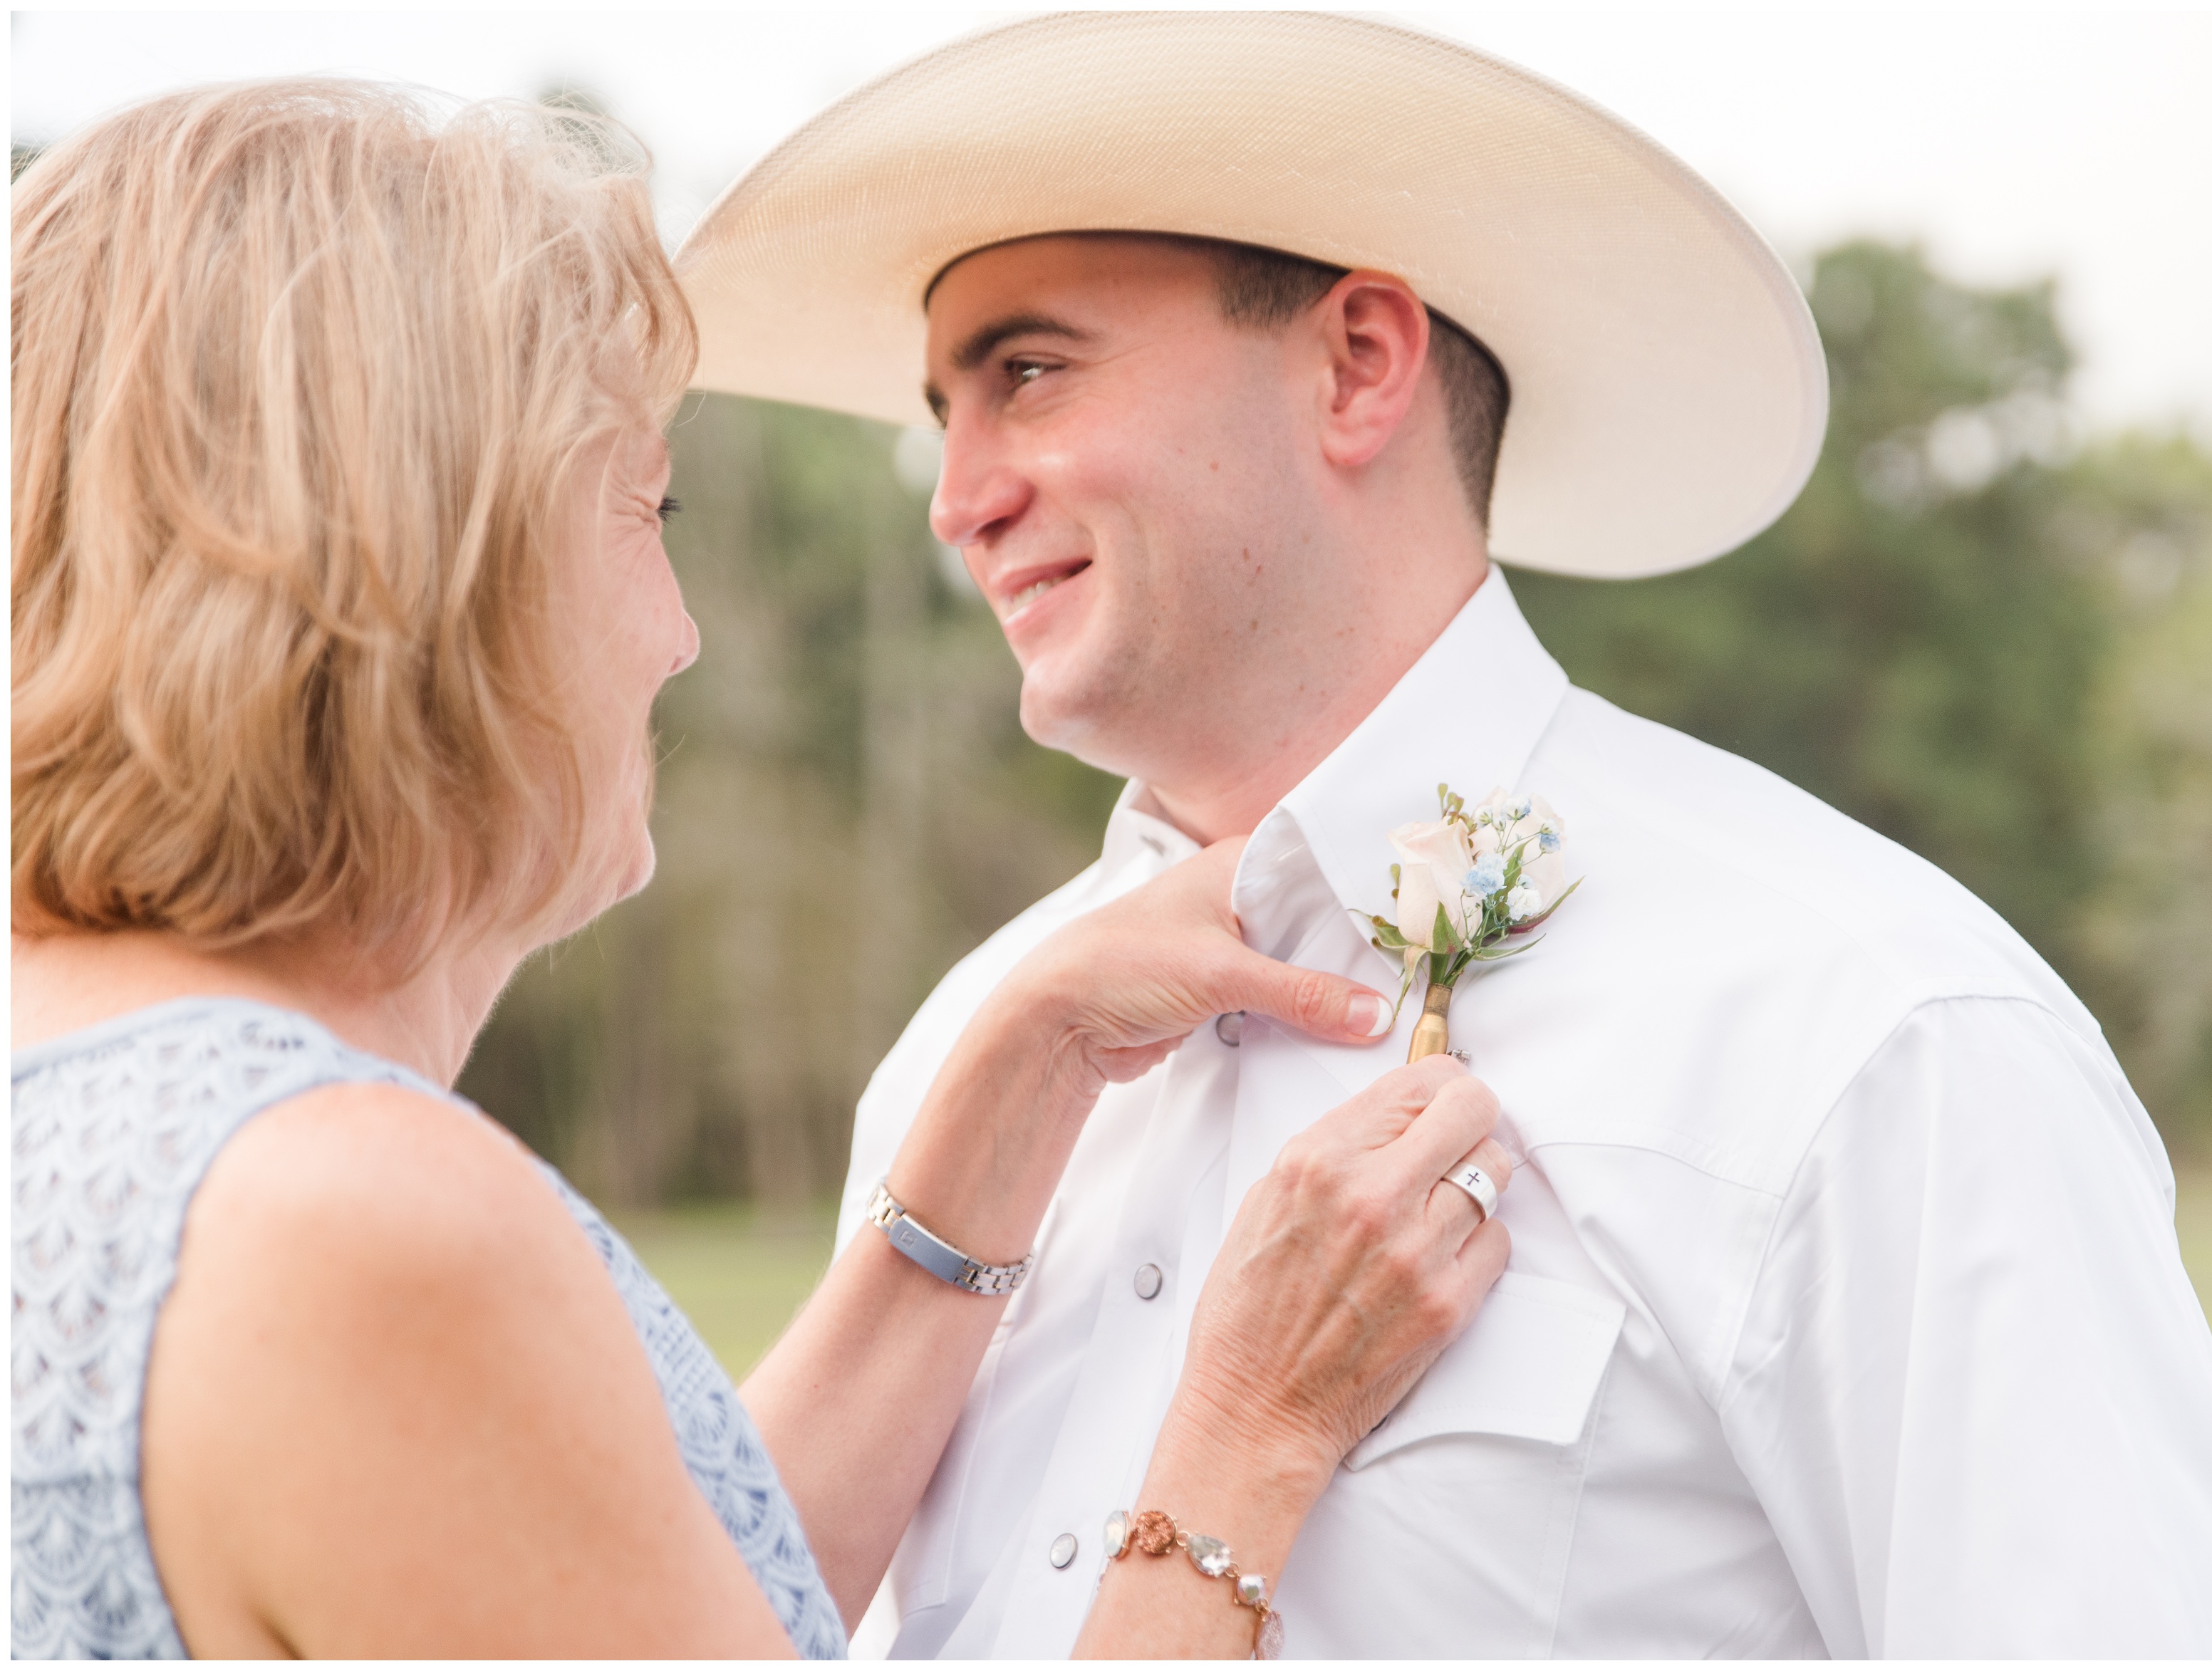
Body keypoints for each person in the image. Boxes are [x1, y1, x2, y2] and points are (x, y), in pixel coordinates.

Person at [675, 11, 2212, 1658]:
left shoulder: (1870, 1027)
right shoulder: (960, 1061)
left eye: (1026, 373)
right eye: (942, 411)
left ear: (1358, 365)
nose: (954, 496)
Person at [9, 79, 1518, 1660]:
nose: (679, 636)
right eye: (641, 506)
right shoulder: (357, 1224)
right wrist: (1246, 1437)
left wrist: (1011, 1076)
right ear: (434, 556)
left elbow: (630, 1593)